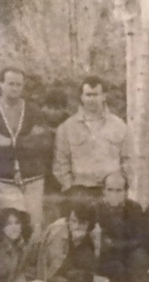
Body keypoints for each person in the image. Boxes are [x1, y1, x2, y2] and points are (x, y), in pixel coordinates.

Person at [53, 76, 132, 203]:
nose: (92, 99)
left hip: (111, 192)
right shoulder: (67, 127)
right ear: (82, 97)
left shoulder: (119, 125)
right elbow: (60, 163)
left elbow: (128, 160)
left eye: (96, 94)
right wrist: (69, 188)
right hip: (80, 192)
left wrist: (122, 187)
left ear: (104, 96)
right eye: (88, 95)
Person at [0, 67, 54, 229]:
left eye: (19, 84)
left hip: (33, 178)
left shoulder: (33, 110)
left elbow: (44, 141)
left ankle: (35, 255)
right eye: (11, 84)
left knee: (34, 226)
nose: (15, 88)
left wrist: (12, 143)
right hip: (5, 179)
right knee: (10, 227)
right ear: (1, 84)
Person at [39, 88, 71, 225]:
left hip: (64, 178)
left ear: (63, 109)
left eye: (57, 108)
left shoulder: (70, 124)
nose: (52, 112)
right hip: (42, 177)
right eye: (49, 107)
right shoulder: (36, 120)